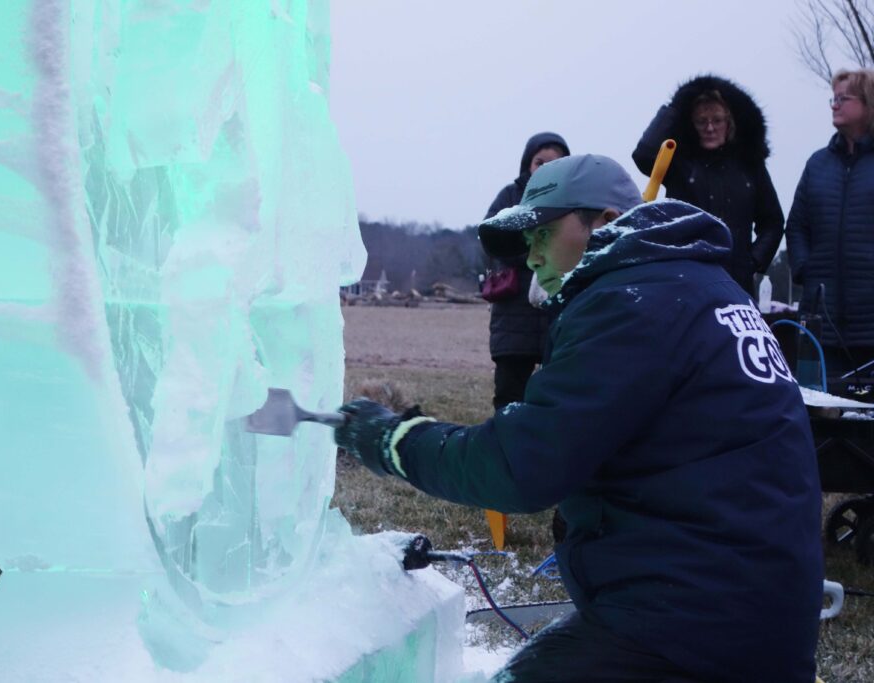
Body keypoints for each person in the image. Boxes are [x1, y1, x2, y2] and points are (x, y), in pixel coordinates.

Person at [335, 155, 823, 682]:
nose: (534, 255)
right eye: (529, 240)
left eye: (546, 232)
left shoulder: (632, 303)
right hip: (740, 599)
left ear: (606, 222)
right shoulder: (694, 284)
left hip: (701, 623)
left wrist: (394, 439)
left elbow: (520, 466)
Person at [633, 75, 784, 296]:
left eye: (717, 120)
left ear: (729, 122)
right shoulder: (679, 163)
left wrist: (752, 262)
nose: (710, 127)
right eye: (701, 121)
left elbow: (772, 222)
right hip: (685, 280)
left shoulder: (750, 166)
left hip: (736, 284)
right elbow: (644, 155)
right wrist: (676, 106)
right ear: (691, 124)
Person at [786, 68, 874, 378]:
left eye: (843, 98)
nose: (834, 105)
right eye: (832, 99)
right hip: (821, 321)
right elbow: (796, 225)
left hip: (870, 324)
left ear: (868, 103)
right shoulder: (817, 164)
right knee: (824, 415)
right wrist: (804, 269)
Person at [484, 132, 570, 410]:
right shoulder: (510, 196)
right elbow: (491, 238)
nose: (544, 169)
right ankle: (502, 446)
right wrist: (535, 254)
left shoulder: (573, 202)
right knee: (509, 392)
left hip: (556, 312)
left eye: (553, 163)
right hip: (513, 314)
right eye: (539, 162)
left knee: (555, 392)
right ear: (527, 165)